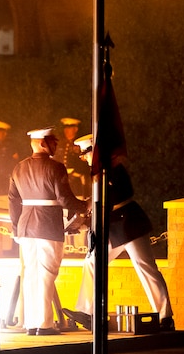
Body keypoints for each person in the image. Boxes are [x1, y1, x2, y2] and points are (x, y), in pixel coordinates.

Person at [62, 134, 174, 331]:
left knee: (145, 266)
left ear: (94, 153)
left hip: (128, 223)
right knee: (92, 262)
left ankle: (164, 316)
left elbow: (117, 196)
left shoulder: (112, 170)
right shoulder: (102, 171)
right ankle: (88, 312)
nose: (84, 159)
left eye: (86, 155)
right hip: (115, 226)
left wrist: (94, 207)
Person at [8, 127, 87, 335]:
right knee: (46, 274)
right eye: (53, 142)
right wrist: (84, 206)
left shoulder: (19, 168)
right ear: (43, 143)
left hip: (26, 226)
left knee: (31, 275)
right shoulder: (56, 167)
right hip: (48, 225)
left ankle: (31, 323)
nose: (56, 145)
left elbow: (13, 200)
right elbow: (64, 199)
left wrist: (16, 228)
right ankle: (44, 325)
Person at [54, 117, 90, 200]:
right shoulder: (61, 143)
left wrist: (74, 171)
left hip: (77, 182)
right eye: (65, 128)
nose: (66, 130)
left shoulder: (81, 144)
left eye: (69, 128)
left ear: (75, 129)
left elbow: (85, 164)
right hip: (62, 181)